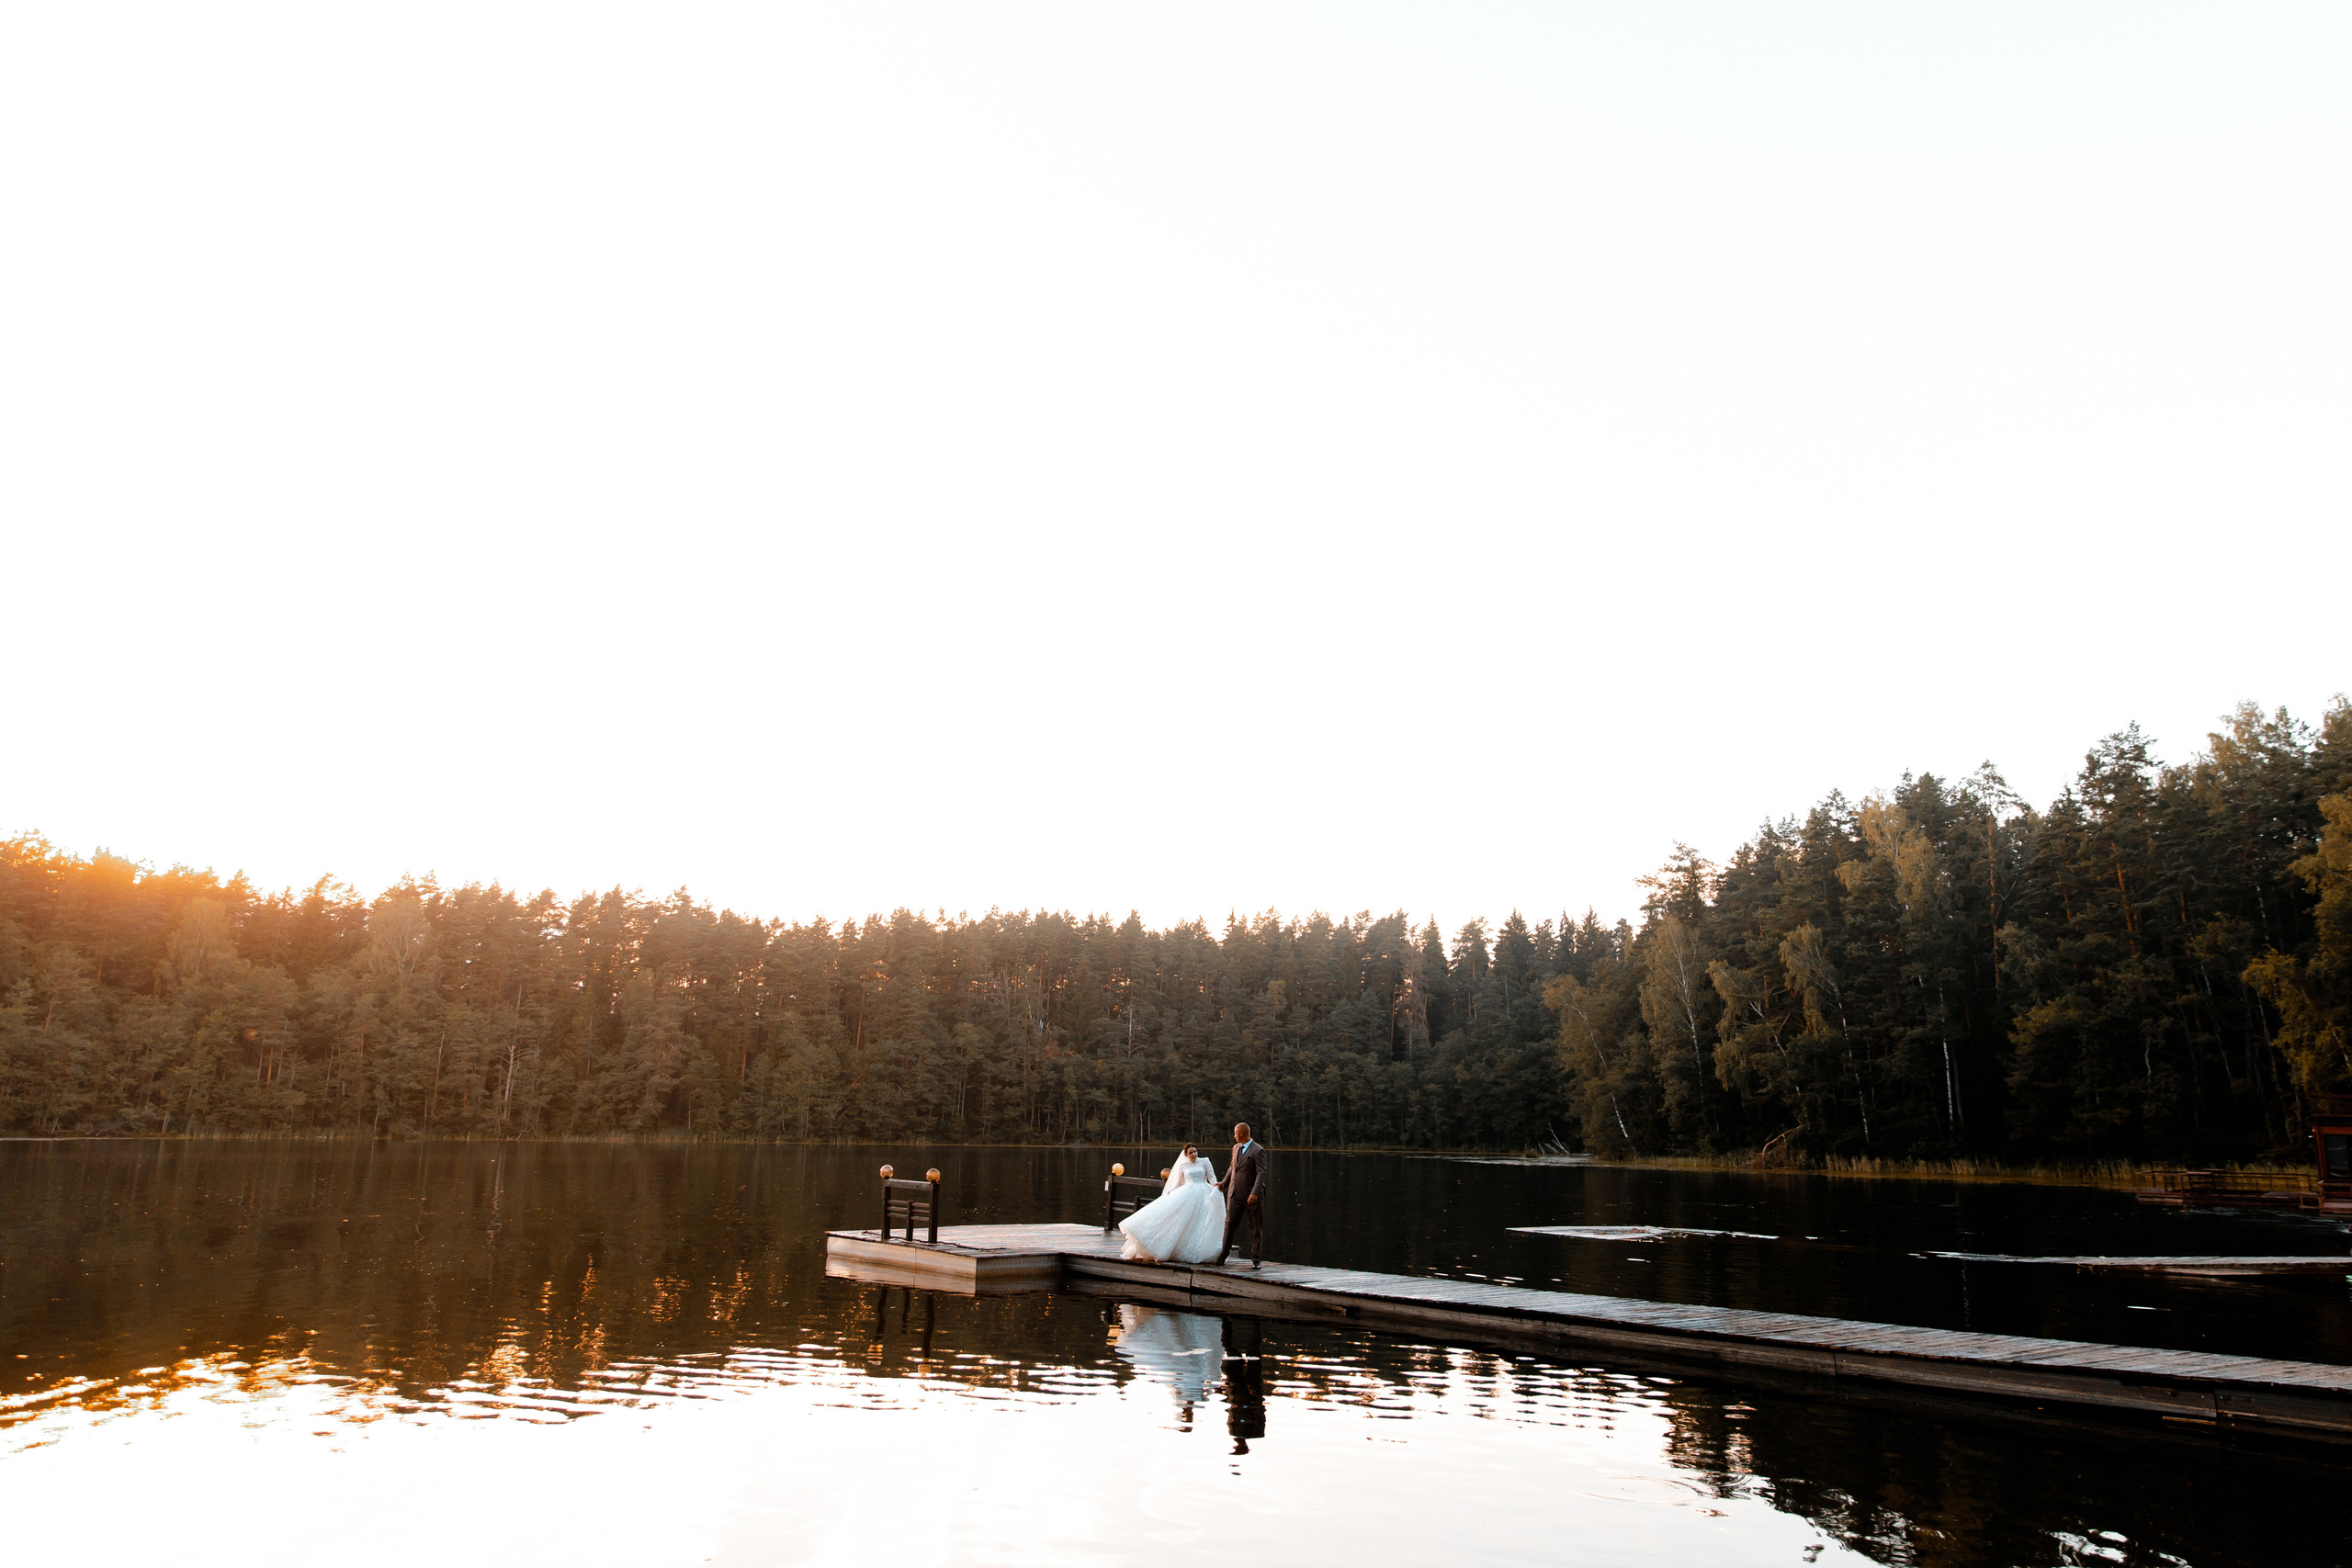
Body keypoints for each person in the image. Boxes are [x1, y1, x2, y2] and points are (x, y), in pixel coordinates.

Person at [1116, 1143, 1226, 1263]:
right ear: (1186, 1154)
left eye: (1195, 1151)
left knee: (1201, 1221)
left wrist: (1216, 1186)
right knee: (1182, 1219)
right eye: (1191, 1153)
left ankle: (1199, 1248)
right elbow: (1179, 1182)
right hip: (1189, 1193)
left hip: (1204, 1192)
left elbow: (1212, 1176)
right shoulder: (1183, 1166)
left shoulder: (1205, 1161)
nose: (1194, 1154)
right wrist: (1171, 1192)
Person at [1216, 1122, 1268, 1268]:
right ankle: (1223, 1255)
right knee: (1229, 1224)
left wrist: (1254, 1193)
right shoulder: (1235, 1148)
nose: (1234, 1136)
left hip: (1253, 1197)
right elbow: (1232, 1167)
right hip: (1235, 1194)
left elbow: (1261, 1174)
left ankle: (1256, 1260)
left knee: (1255, 1228)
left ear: (1242, 1134)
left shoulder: (1258, 1150)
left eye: (1235, 1133)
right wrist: (1224, 1183)